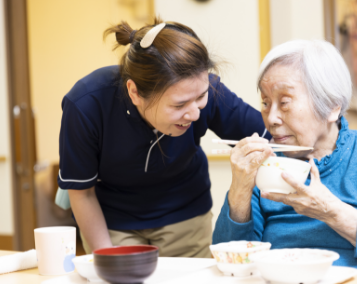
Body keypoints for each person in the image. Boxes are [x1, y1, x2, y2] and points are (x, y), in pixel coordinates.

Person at [212, 39, 357, 276]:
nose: (271, 118)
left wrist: (332, 212)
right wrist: (240, 188)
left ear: (332, 106)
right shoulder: (265, 164)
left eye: (284, 102)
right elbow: (231, 265)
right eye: (265, 103)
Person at [57, 17, 269, 258]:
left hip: (185, 212)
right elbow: (81, 193)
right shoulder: (86, 105)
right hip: (112, 220)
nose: (194, 112)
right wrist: (109, 261)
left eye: (200, 97)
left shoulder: (204, 89)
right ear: (134, 92)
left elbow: (271, 136)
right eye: (179, 105)